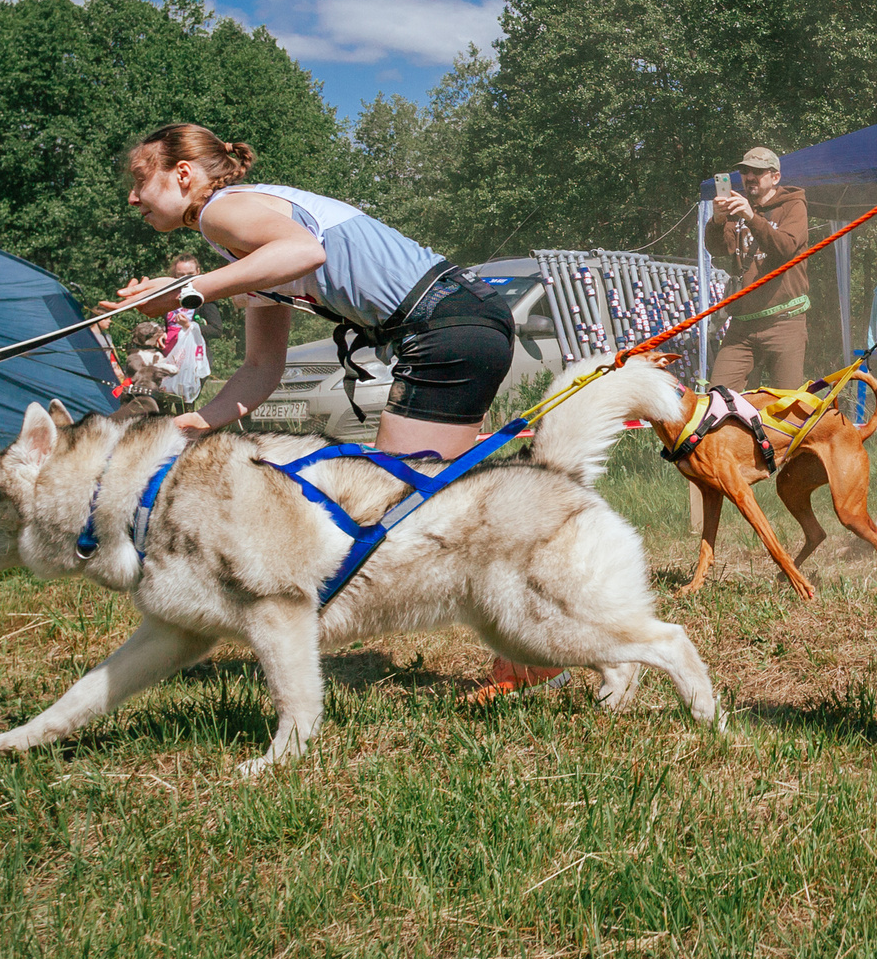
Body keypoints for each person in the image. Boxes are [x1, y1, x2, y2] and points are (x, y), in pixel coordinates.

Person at [113, 124, 559, 701]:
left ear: (182, 174)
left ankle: (536, 654)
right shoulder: (239, 248)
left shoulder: (225, 211)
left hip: (448, 325)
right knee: (430, 501)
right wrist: (189, 425)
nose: (131, 197)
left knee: (400, 505)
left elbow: (306, 251)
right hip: (455, 322)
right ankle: (534, 650)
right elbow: (259, 370)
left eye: (138, 178)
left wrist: (188, 291)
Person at [708, 147, 810, 392]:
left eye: (757, 171)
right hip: (742, 325)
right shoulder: (737, 207)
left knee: (786, 406)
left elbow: (784, 248)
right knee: (717, 398)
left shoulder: (793, 205)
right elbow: (720, 249)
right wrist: (718, 221)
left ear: (775, 177)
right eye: (745, 171)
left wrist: (751, 217)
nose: (749, 177)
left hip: (784, 322)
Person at [159, 253, 215, 406]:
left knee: (184, 404)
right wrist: (159, 333)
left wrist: (190, 327)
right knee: (163, 404)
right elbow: (163, 324)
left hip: (193, 360)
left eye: (190, 274)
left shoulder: (205, 299)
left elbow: (216, 329)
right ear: (174, 276)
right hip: (169, 357)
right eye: (180, 275)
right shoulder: (169, 298)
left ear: (198, 272)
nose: (185, 278)